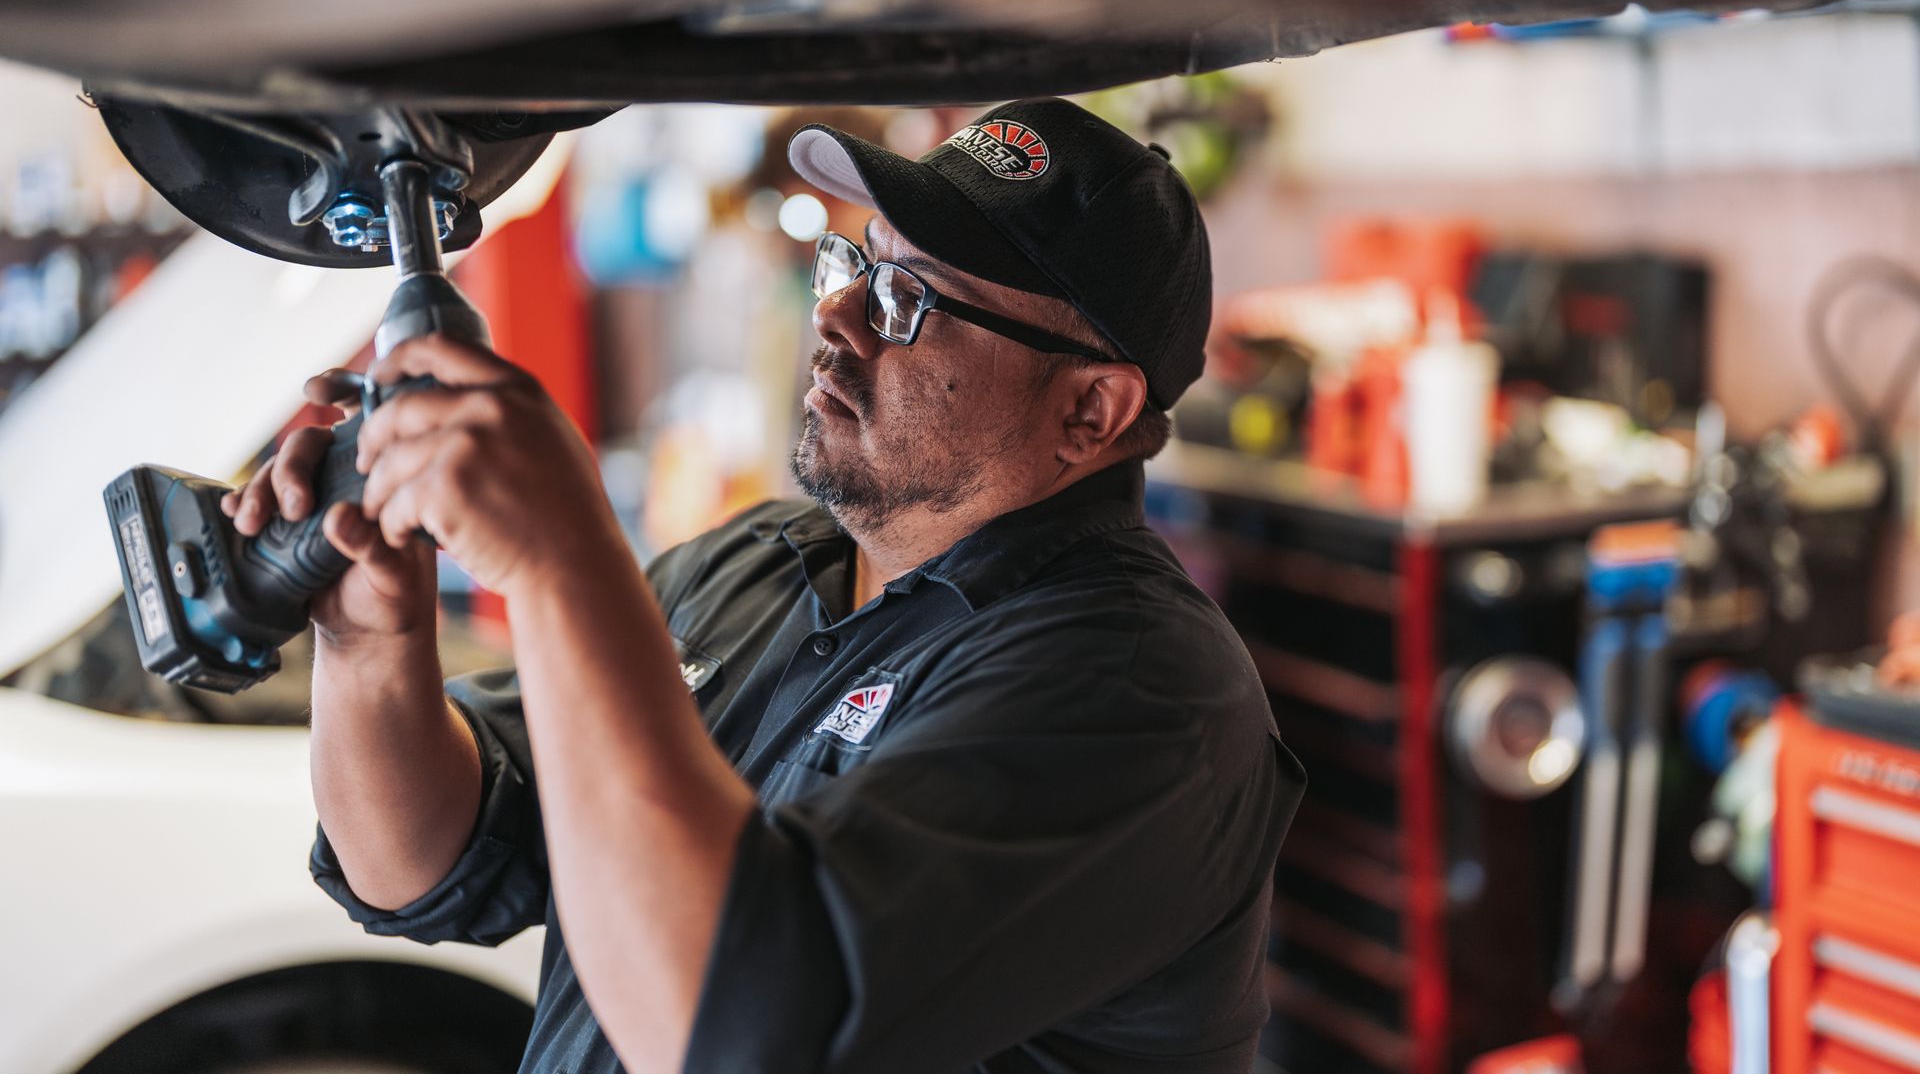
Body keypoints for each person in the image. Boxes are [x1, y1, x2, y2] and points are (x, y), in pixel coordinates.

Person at [225, 96, 1304, 1074]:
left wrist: (562, 556)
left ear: (1091, 411)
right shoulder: (758, 560)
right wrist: (372, 634)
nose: (836, 323)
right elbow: (422, 858)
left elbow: (733, 1031)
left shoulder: (1139, 691)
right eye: (860, 267)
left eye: (912, 302)